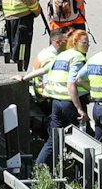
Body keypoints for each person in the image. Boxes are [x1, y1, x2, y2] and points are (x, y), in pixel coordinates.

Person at [30, 29, 88, 171]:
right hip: (66, 102)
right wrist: (80, 108)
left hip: (55, 101)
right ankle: (83, 174)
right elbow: (71, 84)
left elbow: (44, 70)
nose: (88, 45)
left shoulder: (59, 56)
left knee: (54, 139)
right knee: (83, 139)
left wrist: (24, 78)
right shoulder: (76, 57)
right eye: (85, 42)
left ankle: (38, 170)